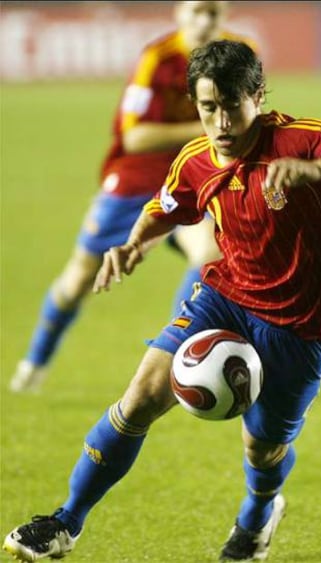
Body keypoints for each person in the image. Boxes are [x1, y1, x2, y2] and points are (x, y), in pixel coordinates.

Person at [3, 40, 321, 562]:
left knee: (261, 449)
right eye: (207, 107)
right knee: (140, 397)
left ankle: (257, 518)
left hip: (302, 325)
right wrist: (132, 245)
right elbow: (167, 206)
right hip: (224, 296)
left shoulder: (300, 142)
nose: (220, 121)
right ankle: (65, 522)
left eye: (231, 105)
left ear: (258, 96)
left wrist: (317, 171)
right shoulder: (196, 159)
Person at [9, 0, 255, 393]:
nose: (205, 20)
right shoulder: (157, 59)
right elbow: (135, 136)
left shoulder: (237, 54)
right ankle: (35, 362)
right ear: (179, 13)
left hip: (192, 181)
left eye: (213, 12)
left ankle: (177, 358)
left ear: (225, 15)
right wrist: (204, 128)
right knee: (78, 282)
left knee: (210, 254)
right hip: (135, 182)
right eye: (197, 11)